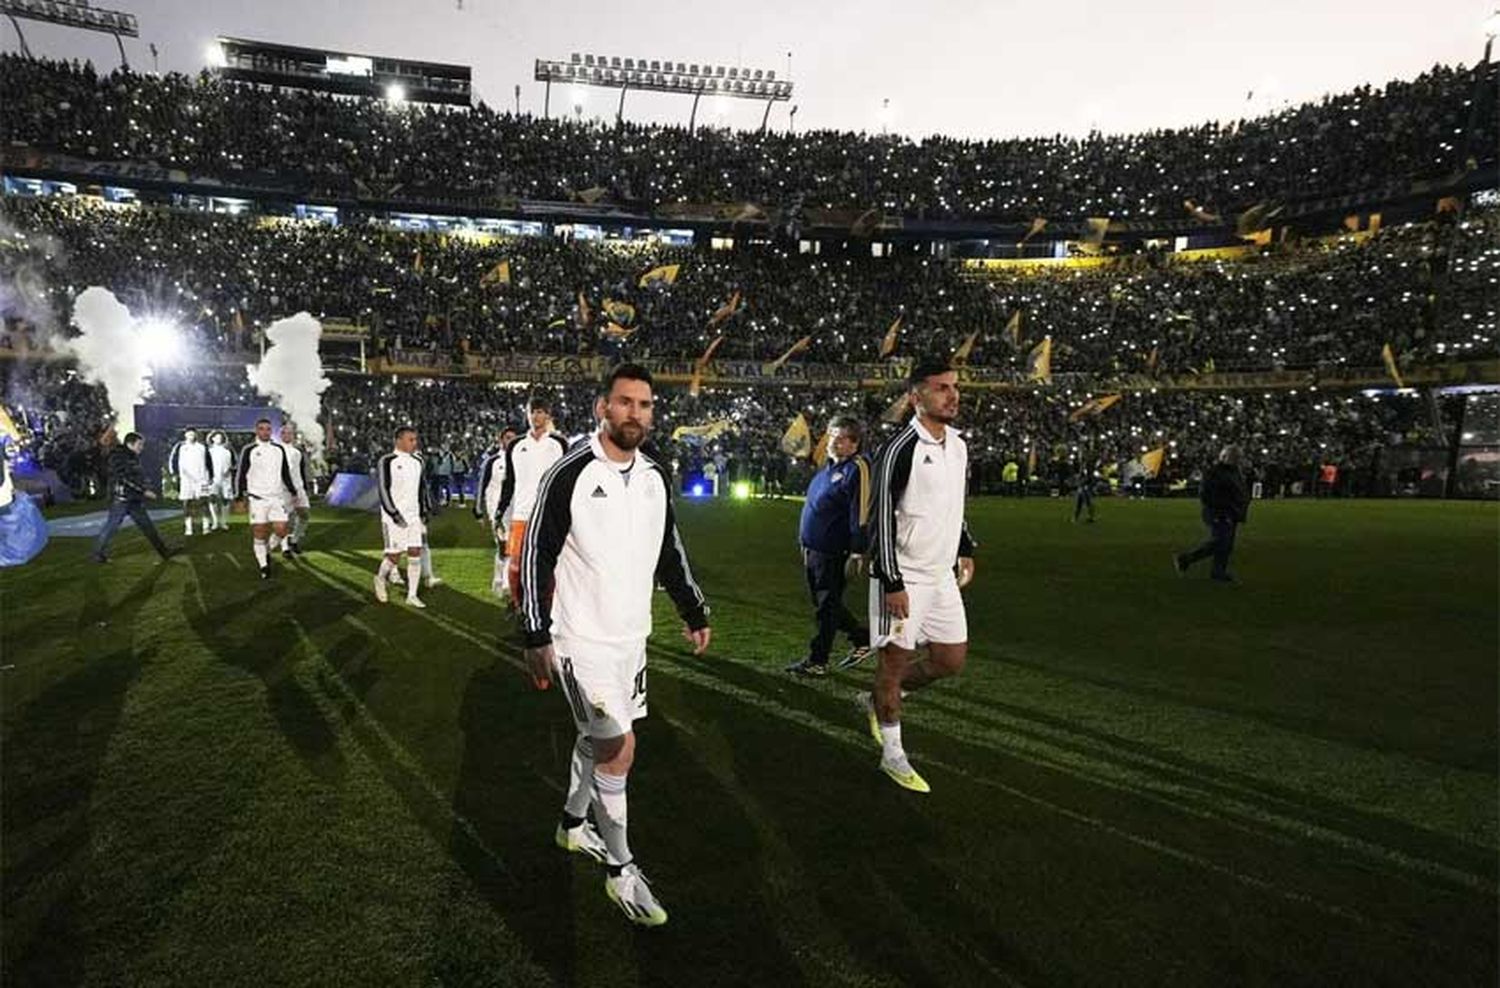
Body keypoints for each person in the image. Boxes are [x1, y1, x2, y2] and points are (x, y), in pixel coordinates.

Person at [521, 363, 710, 928]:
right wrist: (534, 633)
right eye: (625, 402)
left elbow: (668, 550)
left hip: (632, 638)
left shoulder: (654, 475)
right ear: (604, 407)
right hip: (579, 636)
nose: (635, 413)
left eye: (645, 405)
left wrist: (692, 608)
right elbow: (537, 552)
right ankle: (621, 871)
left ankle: (573, 827)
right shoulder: (571, 471)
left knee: (597, 741)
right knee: (619, 748)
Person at [860, 359, 977, 794]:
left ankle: (877, 700)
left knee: (950, 659)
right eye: (942, 388)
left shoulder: (958, 445)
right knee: (892, 664)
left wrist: (964, 547)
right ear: (916, 397)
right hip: (904, 575)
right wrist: (891, 581)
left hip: (941, 575)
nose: (953, 395)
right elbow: (880, 519)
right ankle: (893, 754)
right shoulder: (898, 447)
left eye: (955, 388)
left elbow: (954, 505)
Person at [787, 415, 872, 676]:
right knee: (825, 601)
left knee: (827, 605)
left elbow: (860, 512)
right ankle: (862, 637)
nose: (833, 441)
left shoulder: (856, 469)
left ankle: (818, 659)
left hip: (835, 550)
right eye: (832, 435)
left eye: (841, 437)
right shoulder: (829, 468)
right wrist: (805, 542)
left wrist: (857, 550)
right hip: (815, 548)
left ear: (855, 443)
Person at [495, 397, 570, 602]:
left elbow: (567, 481)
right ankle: (519, 606)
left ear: (548, 415)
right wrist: (500, 510)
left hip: (549, 516)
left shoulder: (559, 444)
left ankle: (547, 609)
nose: (536, 416)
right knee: (516, 563)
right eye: (532, 412)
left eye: (540, 412)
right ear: (527, 414)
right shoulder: (516, 445)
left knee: (550, 565)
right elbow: (509, 481)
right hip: (522, 513)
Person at [91, 431, 175, 563]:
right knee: (111, 527)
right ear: (130, 444)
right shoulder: (118, 456)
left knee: (147, 526)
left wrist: (144, 487)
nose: (141, 447)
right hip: (122, 499)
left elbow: (136, 476)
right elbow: (123, 477)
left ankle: (164, 552)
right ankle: (97, 554)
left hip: (133, 498)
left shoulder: (132, 456)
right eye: (139, 444)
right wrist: (143, 491)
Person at [374, 426, 431, 608]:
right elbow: (382, 489)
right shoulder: (387, 460)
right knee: (394, 556)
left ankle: (412, 595)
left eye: (415, 439)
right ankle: (380, 579)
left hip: (413, 516)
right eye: (410, 439)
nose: (414, 443)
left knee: (415, 553)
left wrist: (424, 511)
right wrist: (393, 512)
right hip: (393, 518)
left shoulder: (418, 461)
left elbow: (422, 488)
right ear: (398, 440)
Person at [235, 417, 299, 580]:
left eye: (268, 429)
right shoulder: (249, 450)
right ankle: (264, 565)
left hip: (277, 498)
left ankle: (267, 550)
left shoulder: (278, 449)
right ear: (257, 431)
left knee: (282, 529)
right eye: (261, 428)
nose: (265, 431)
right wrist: (239, 497)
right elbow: (241, 474)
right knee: (260, 533)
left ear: (271, 431)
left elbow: (285, 473)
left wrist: (293, 492)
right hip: (257, 499)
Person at [1174, 445, 1249, 582]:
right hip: (1220, 513)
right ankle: (1187, 559)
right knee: (1220, 542)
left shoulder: (1234, 471)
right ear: (1224, 457)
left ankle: (1218, 572)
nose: (1237, 460)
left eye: (1238, 457)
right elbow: (1205, 493)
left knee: (1226, 545)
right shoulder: (1215, 472)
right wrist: (1218, 508)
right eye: (1235, 457)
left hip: (1231, 512)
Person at [473, 425, 518, 597]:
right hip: (497, 513)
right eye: (508, 438)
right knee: (503, 547)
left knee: (512, 549)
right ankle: (501, 582)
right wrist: (478, 511)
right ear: (501, 440)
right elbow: (481, 486)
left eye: (514, 438)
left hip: (516, 511)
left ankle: (502, 582)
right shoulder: (492, 462)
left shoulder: (520, 460)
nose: (511, 441)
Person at [168, 428, 213, 537]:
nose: (191, 436)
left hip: (201, 479)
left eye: (193, 434)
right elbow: (173, 461)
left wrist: (211, 476)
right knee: (187, 503)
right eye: (189, 434)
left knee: (204, 502)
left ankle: (206, 527)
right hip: (186, 480)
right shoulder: (180, 447)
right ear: (185, 435)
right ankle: (189, 528)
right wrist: (175, 474)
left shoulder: (202, 447)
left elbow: (209, 462)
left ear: (195, 435)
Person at [278, 424, 312, 557]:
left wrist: (305, 485)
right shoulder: (276, 450)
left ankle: (294, 540)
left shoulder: (297, 452)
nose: (288, 435)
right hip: (283, 489)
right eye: (285, 433)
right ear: (281, 435)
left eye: (290, 433)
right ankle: (285, 547)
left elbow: (301, 470)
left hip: (298, 487)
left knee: (305, 515)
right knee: (286, 519)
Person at [206, 431, 233, 531]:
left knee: (226, 500)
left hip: (226, 479)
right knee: (212, 499)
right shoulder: (209, 451)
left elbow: (232, 464)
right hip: (213, 479)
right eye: (217, 437)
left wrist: (228, 470)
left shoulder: (227, 452)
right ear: (212, 439)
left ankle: (224, 522)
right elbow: (206, 465)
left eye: (220, 437)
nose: (219, 439)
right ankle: (215, 522)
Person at [1073, 456, 1097, 523]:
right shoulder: (1086, 469)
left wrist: (1081, 482)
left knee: (1083, 503)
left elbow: (1087, 478)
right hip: (1084, 486)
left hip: (1084, 487)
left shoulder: (1086, 469)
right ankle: (1089, 517)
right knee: (1084, 503)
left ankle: (1077, 517)